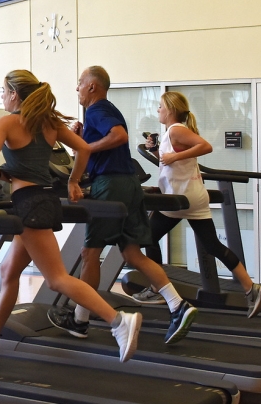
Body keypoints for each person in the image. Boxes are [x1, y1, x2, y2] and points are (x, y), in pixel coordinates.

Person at [0, 70, 141, 363]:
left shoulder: (6, 123)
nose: (2, 97)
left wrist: (2, 176)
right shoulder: (49, 124)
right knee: (8, 271)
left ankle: (118, 322)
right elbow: (82, 148)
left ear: (15, 95)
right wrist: (73, 180)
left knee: (56, 279)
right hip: (43, 199)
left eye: (4, 91)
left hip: (27, 203)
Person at [52, 66, 197, 344]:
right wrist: (83, 141)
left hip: (111, 185)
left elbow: (119, 137)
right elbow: (109, 141)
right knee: (131, 254)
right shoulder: (105, 109)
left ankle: (80, 320)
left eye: (80, 83)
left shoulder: (96, 110)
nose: (77, 88)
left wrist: (86, 148)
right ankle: (178, 305)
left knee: (89, 253)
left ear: (92, 86)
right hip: (129, 183)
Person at [137, 92, 261, 317]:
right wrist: (155, 151)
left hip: (179, 198)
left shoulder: (176, 129)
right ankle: (250, 288)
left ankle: (157, 288)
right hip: (194, 196)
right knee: (212, 245)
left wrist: (173, 158)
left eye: (160, 107)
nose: (157, 110)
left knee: (147, 236)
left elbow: (205, 146)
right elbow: (171, 162)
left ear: (170, 109)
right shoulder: (171, 133)